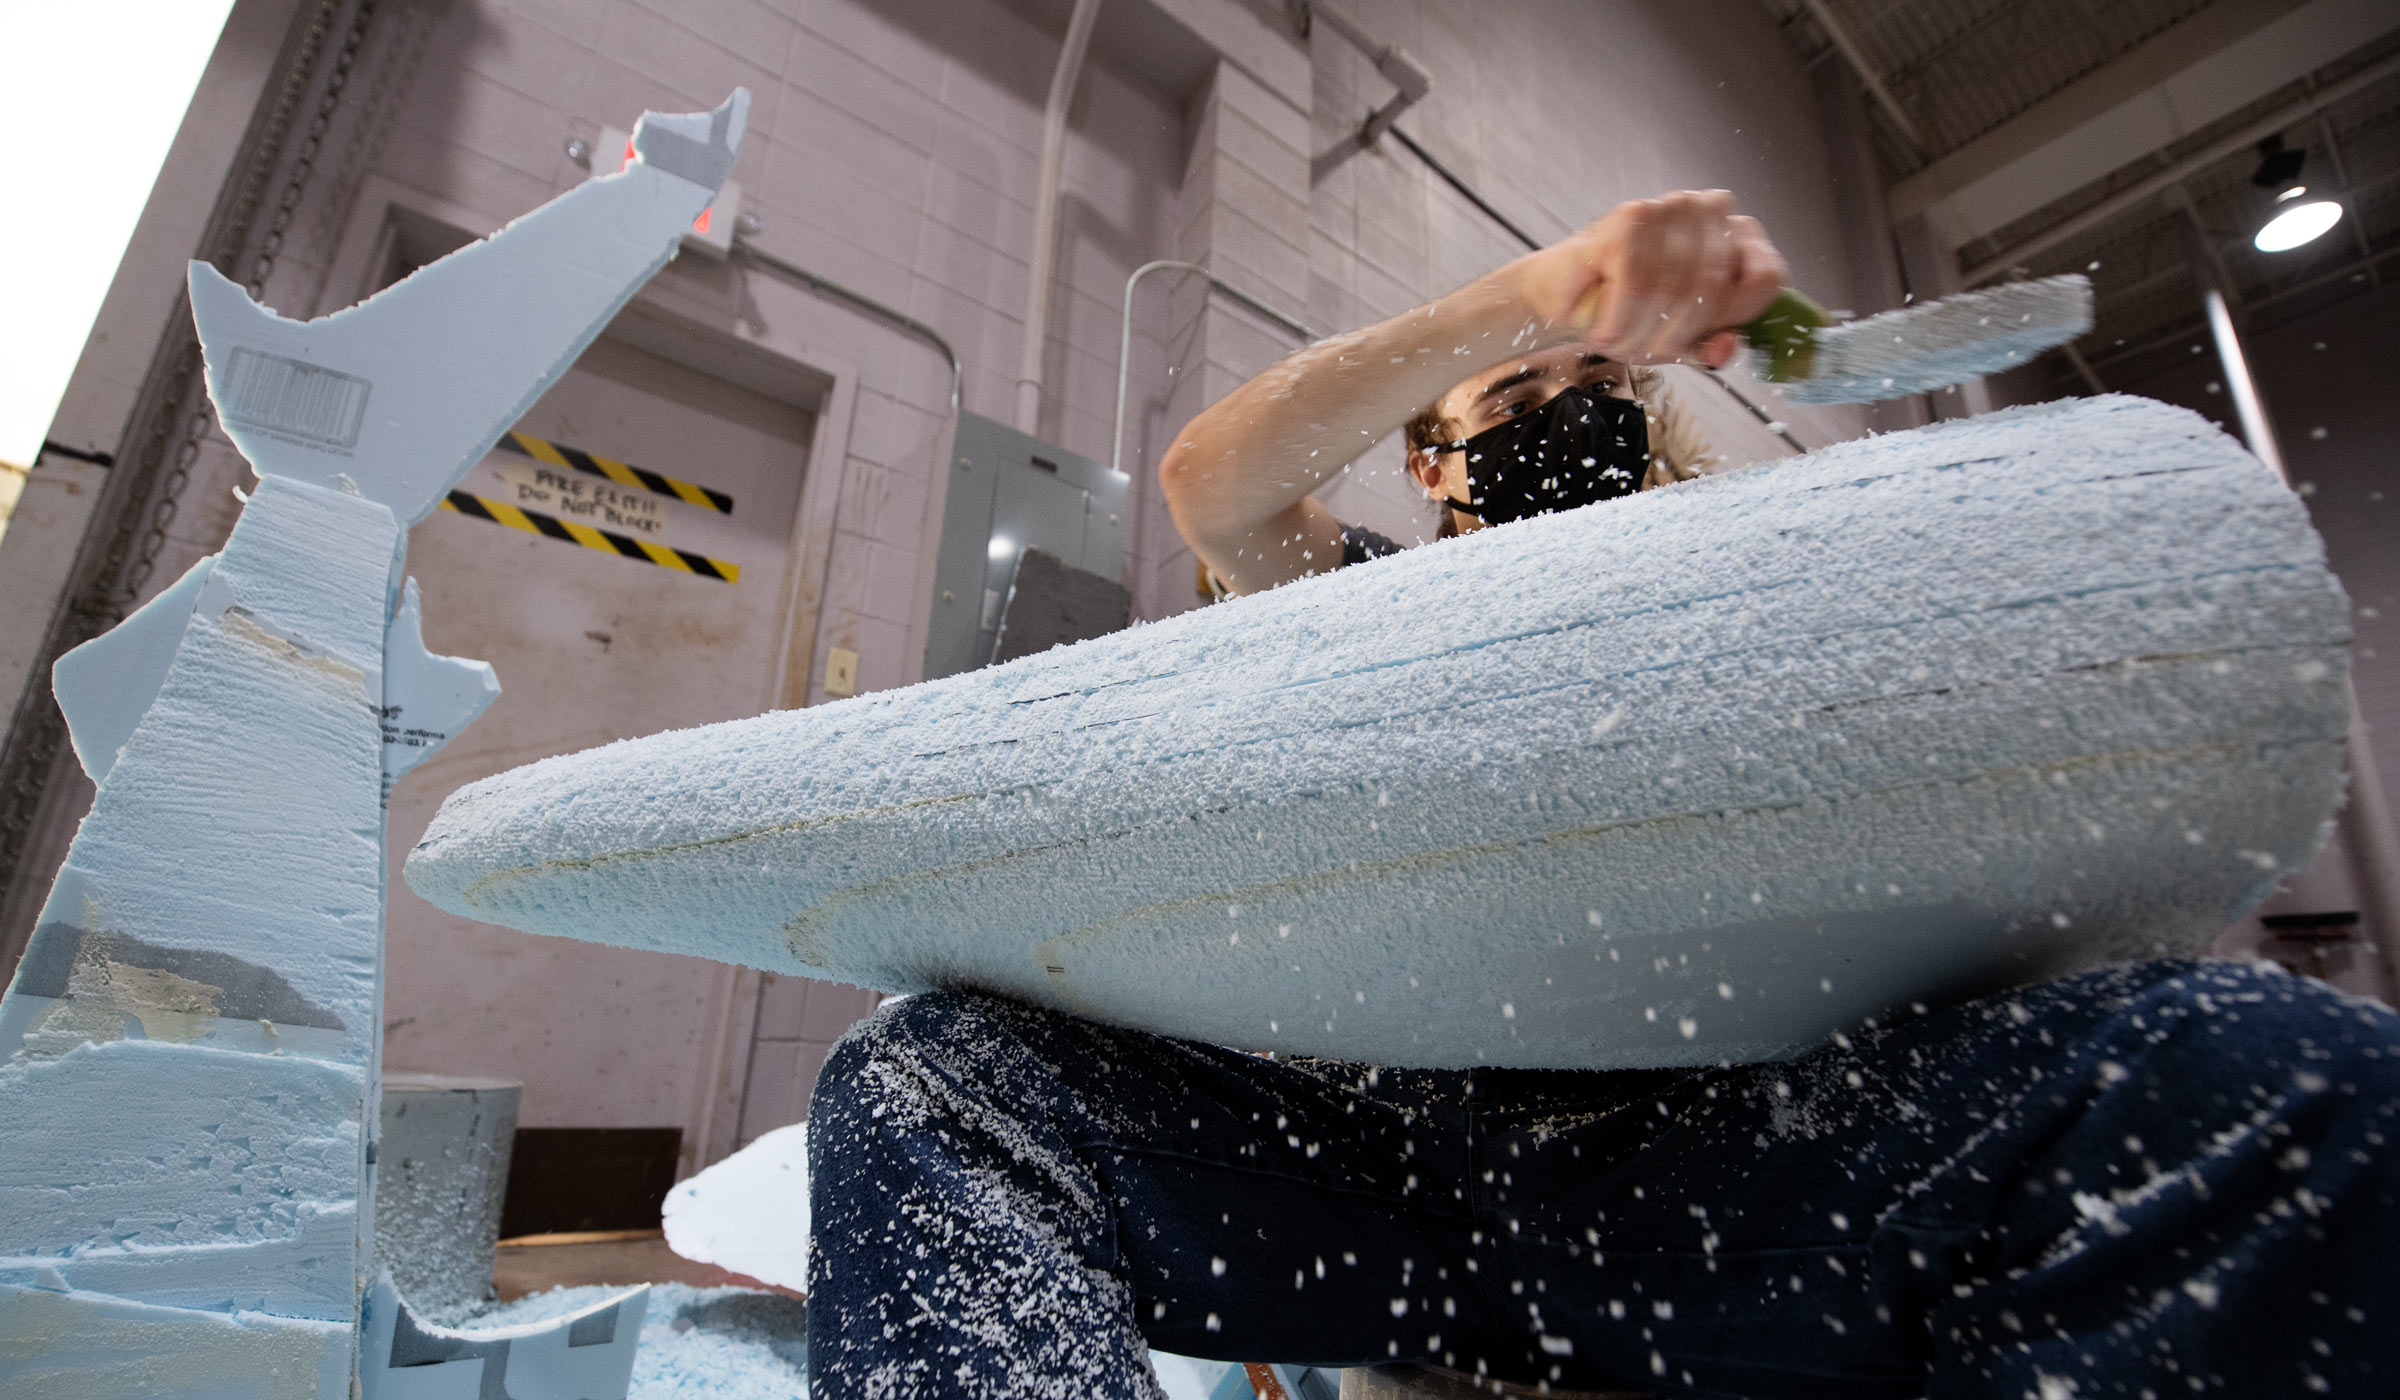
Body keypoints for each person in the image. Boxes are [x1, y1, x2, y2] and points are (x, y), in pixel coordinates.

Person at [804, 192, 2400, 1398]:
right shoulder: (1346, 602)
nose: (1560, 411)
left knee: (2277, 1070)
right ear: (1427, 467)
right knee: (929, 1078)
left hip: (1734, 1157)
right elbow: (1214, 481)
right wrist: (1529, 295)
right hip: (1393, 1163)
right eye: (1507, 398)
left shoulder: (1761, 596)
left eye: (1596, 385)